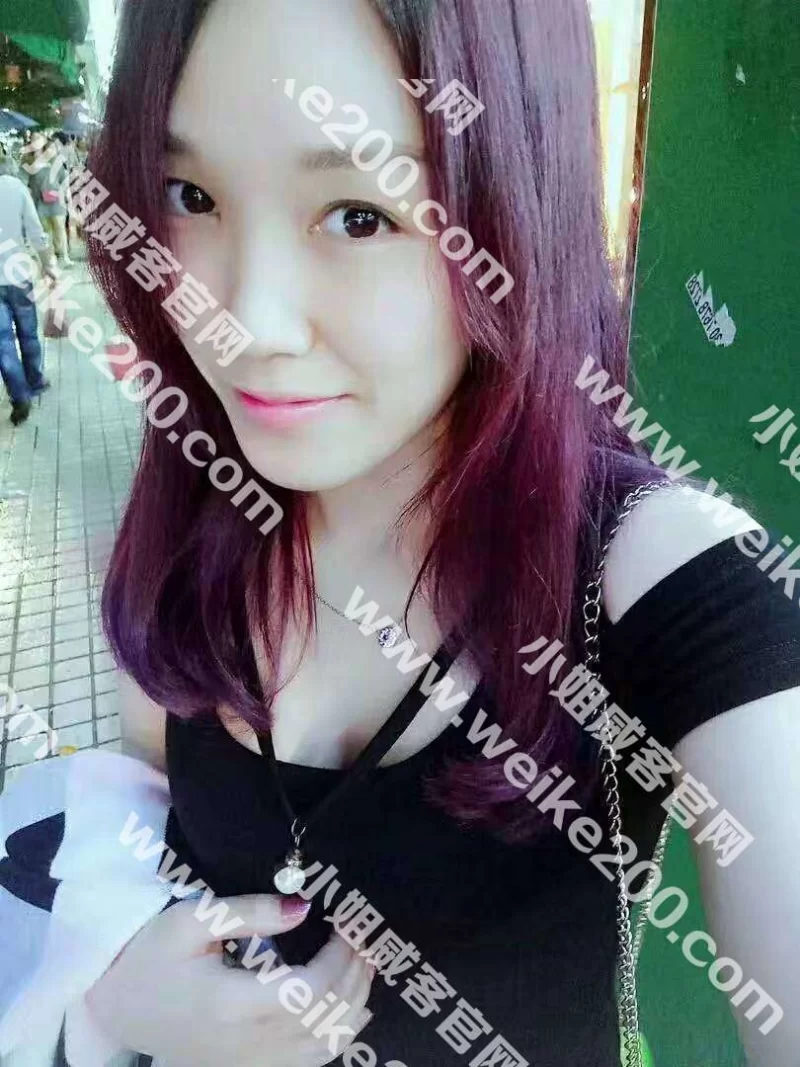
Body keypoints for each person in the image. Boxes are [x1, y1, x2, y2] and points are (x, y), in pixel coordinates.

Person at [0, 1, 798, 1066]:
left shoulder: (659, 578)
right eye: (192, 197)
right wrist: (111, 1006)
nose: (246, 321)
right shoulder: (193, 519)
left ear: (513, 205)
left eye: (358, 214)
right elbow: (138, 805)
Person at [0, 148, 58, 425]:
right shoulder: (16, 187)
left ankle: (19, 395)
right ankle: (35, 380)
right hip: (19, 275)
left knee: (2, 342)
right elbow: (36, 231)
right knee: (27, 332)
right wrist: (48, 265)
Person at [25, 133, 73, 269]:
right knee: (44, 230)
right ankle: (50, 258)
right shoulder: (27, 160)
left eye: (38, 139)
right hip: (38, 201)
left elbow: (63, 177)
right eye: (33, 139)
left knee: (59, 227)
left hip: (56, 199)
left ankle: (63, 256)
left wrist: (66, 193)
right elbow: (24, 180)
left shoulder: (53, 157)